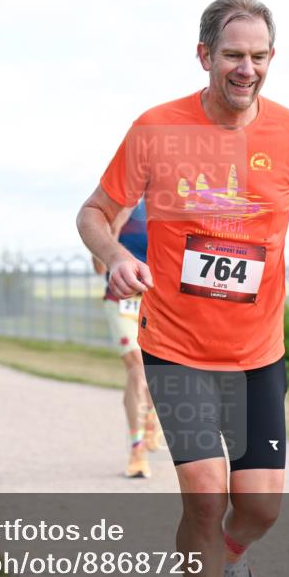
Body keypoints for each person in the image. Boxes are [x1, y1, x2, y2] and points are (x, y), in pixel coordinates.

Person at [76, 0, 289, 577]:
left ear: (271, 58)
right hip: (177, 347)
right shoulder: (156, 129)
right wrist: (116, 255)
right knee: (202, 492)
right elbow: (93, 213)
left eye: (258, 56)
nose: (246, 69)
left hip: (256, 353)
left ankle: (233, 553)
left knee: (258, 508)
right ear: (204, 56)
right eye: (232, 56)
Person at [93, 199, 164, 480]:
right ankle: (137, 452)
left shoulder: (169, 205)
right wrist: (115, 225)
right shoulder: (111, 210)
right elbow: (100, 269)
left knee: (155, 373)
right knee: (137, 369)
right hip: (121, 302)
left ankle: (150, 419)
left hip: (158, 304)